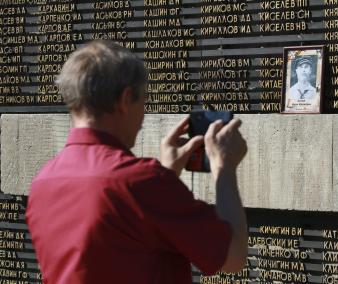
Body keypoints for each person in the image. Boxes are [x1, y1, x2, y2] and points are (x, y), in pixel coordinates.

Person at [25, 40, 248, 283]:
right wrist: (224, 167)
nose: (143, 115)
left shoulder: (42, 183)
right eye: (144, 101)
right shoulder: (140, 182)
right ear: (125, 99)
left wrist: (166, 177)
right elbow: (233, 257)